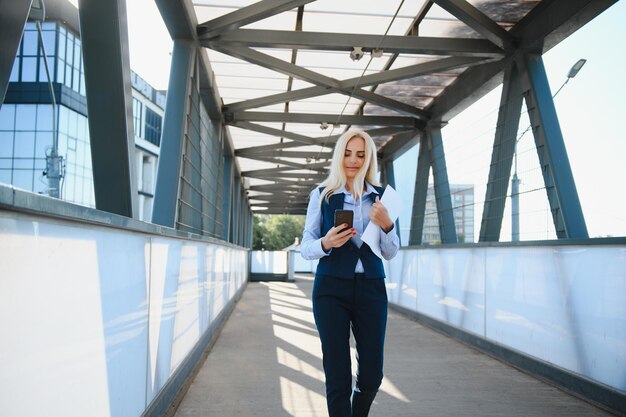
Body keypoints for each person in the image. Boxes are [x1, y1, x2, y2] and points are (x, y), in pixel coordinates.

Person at [301, 128, 400, 417]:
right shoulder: (322, 195)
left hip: (371, 288)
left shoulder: (384, 198)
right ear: (338, 156)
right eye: (347, 154)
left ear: (368, 158)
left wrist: (386, 225)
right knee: (337, 372)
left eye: (360, 154)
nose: (353, 161)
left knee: (372, 374)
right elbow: (305, 246)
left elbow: (391, 252)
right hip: (330, 288)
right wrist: (326, 242)